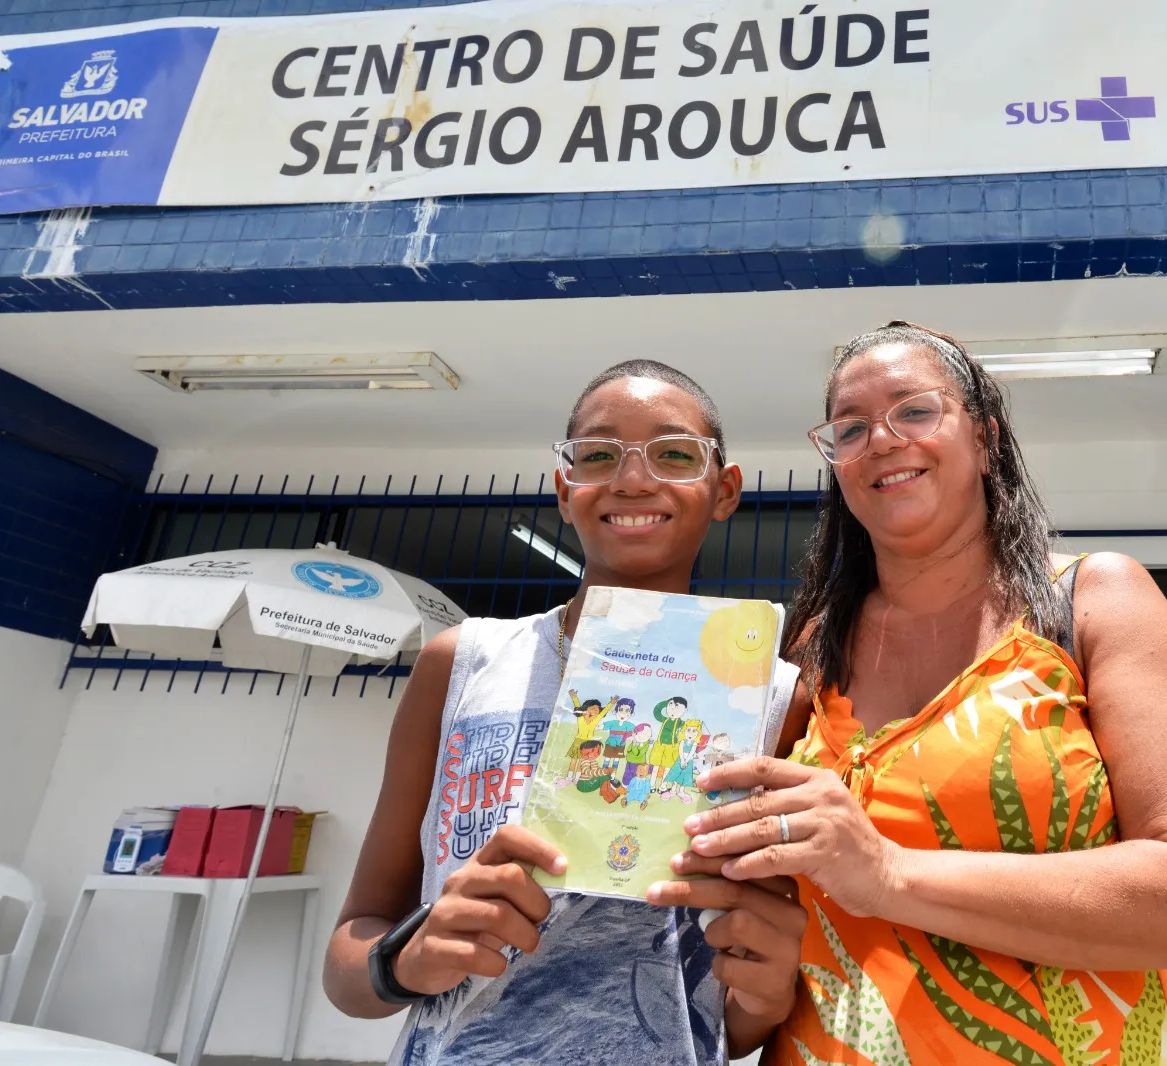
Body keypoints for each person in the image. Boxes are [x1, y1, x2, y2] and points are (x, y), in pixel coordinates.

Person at [678, 323, 1167, 1065]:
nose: (882, 440)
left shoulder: (1092, 601)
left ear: (984, 440)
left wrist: (890, 875)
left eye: (915, 411)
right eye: (850, 429)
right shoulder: (813, 651)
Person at [323, 360, 809, 1066]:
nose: (632, 479)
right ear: (565, 487)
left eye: (673, 454)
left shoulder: (773, 699)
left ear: (723, 490)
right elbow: (353, 951)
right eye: (598, 455)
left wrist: (766, 1001)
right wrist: (405, 959)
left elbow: (732, 1003)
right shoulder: (462, 663)